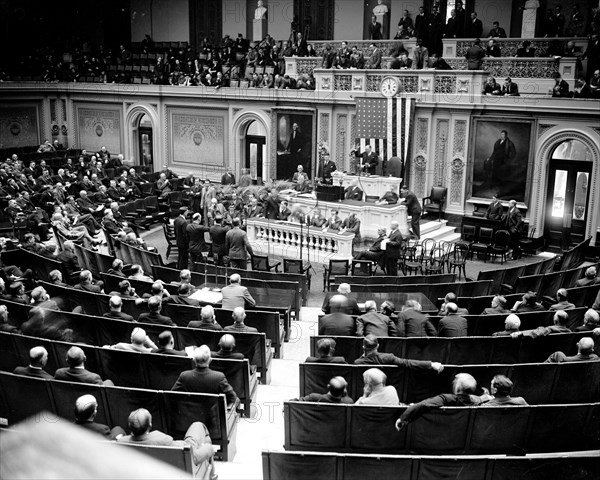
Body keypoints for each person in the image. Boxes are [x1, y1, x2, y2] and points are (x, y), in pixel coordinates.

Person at [117, 408, 217, 480]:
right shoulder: (163, 441)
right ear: (150, 425)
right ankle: (211, 474)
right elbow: (192, 456)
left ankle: (211, 474)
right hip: (185, 466)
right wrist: (208, 448)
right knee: (199, 428)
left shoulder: (120, 443)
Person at [395, 373, 483, 430]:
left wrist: (403, 418)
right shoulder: (478, 400)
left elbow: (424, 405)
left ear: (458, 387)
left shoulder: (446, 398)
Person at [172, 345, 238, 407]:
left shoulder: (184, 376)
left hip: (190, 415)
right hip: (214, 417)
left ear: (194, 360)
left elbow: (172, 395)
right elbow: (233, 398)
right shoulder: (219, 377)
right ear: (210, 360)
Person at [355, 335, 444, 373]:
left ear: (363, 347)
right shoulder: (388, 357)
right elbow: (407, 363)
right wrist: (431, 364)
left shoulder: (357, 363)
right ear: (378, 346)